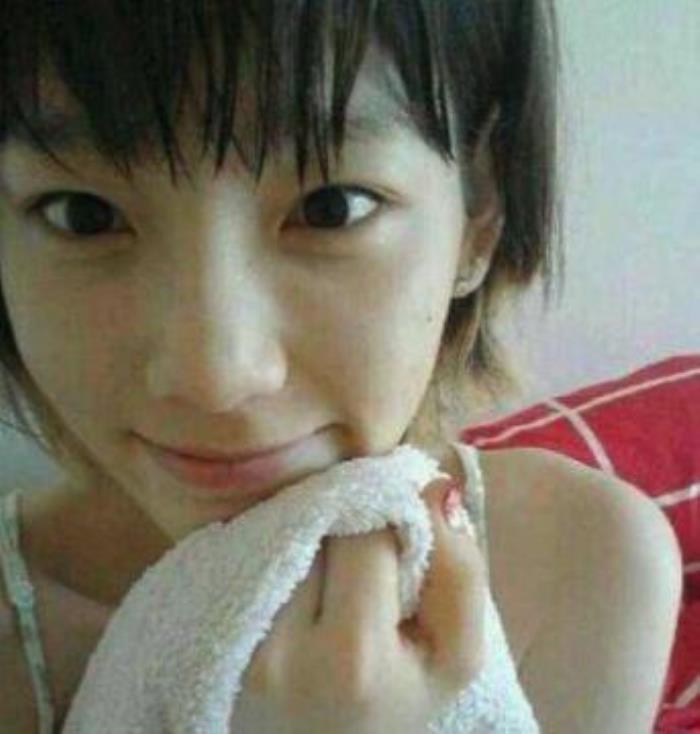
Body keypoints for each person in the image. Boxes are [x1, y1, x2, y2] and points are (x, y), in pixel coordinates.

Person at [0, 1, 682, 732]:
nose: (215, 379)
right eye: (84, 215)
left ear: (480, 214)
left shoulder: (584, 566)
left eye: (330, 208)